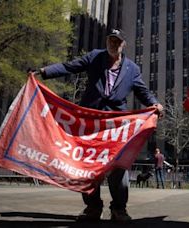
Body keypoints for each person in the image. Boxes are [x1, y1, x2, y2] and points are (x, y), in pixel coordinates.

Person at [30, 28, 164, 222]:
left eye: (117, 41)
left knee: (118, 167)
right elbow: (70, 66)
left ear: (123, 44)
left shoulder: (132, 69)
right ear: (107, 41)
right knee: (88, 166)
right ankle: (93, 207)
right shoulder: (94, 57)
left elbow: (142, 92)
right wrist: (44, 71)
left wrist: (154, 103)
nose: (113, 44)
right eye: (111, 40)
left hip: (117, 127)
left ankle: (119, 209)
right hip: (90, 122)